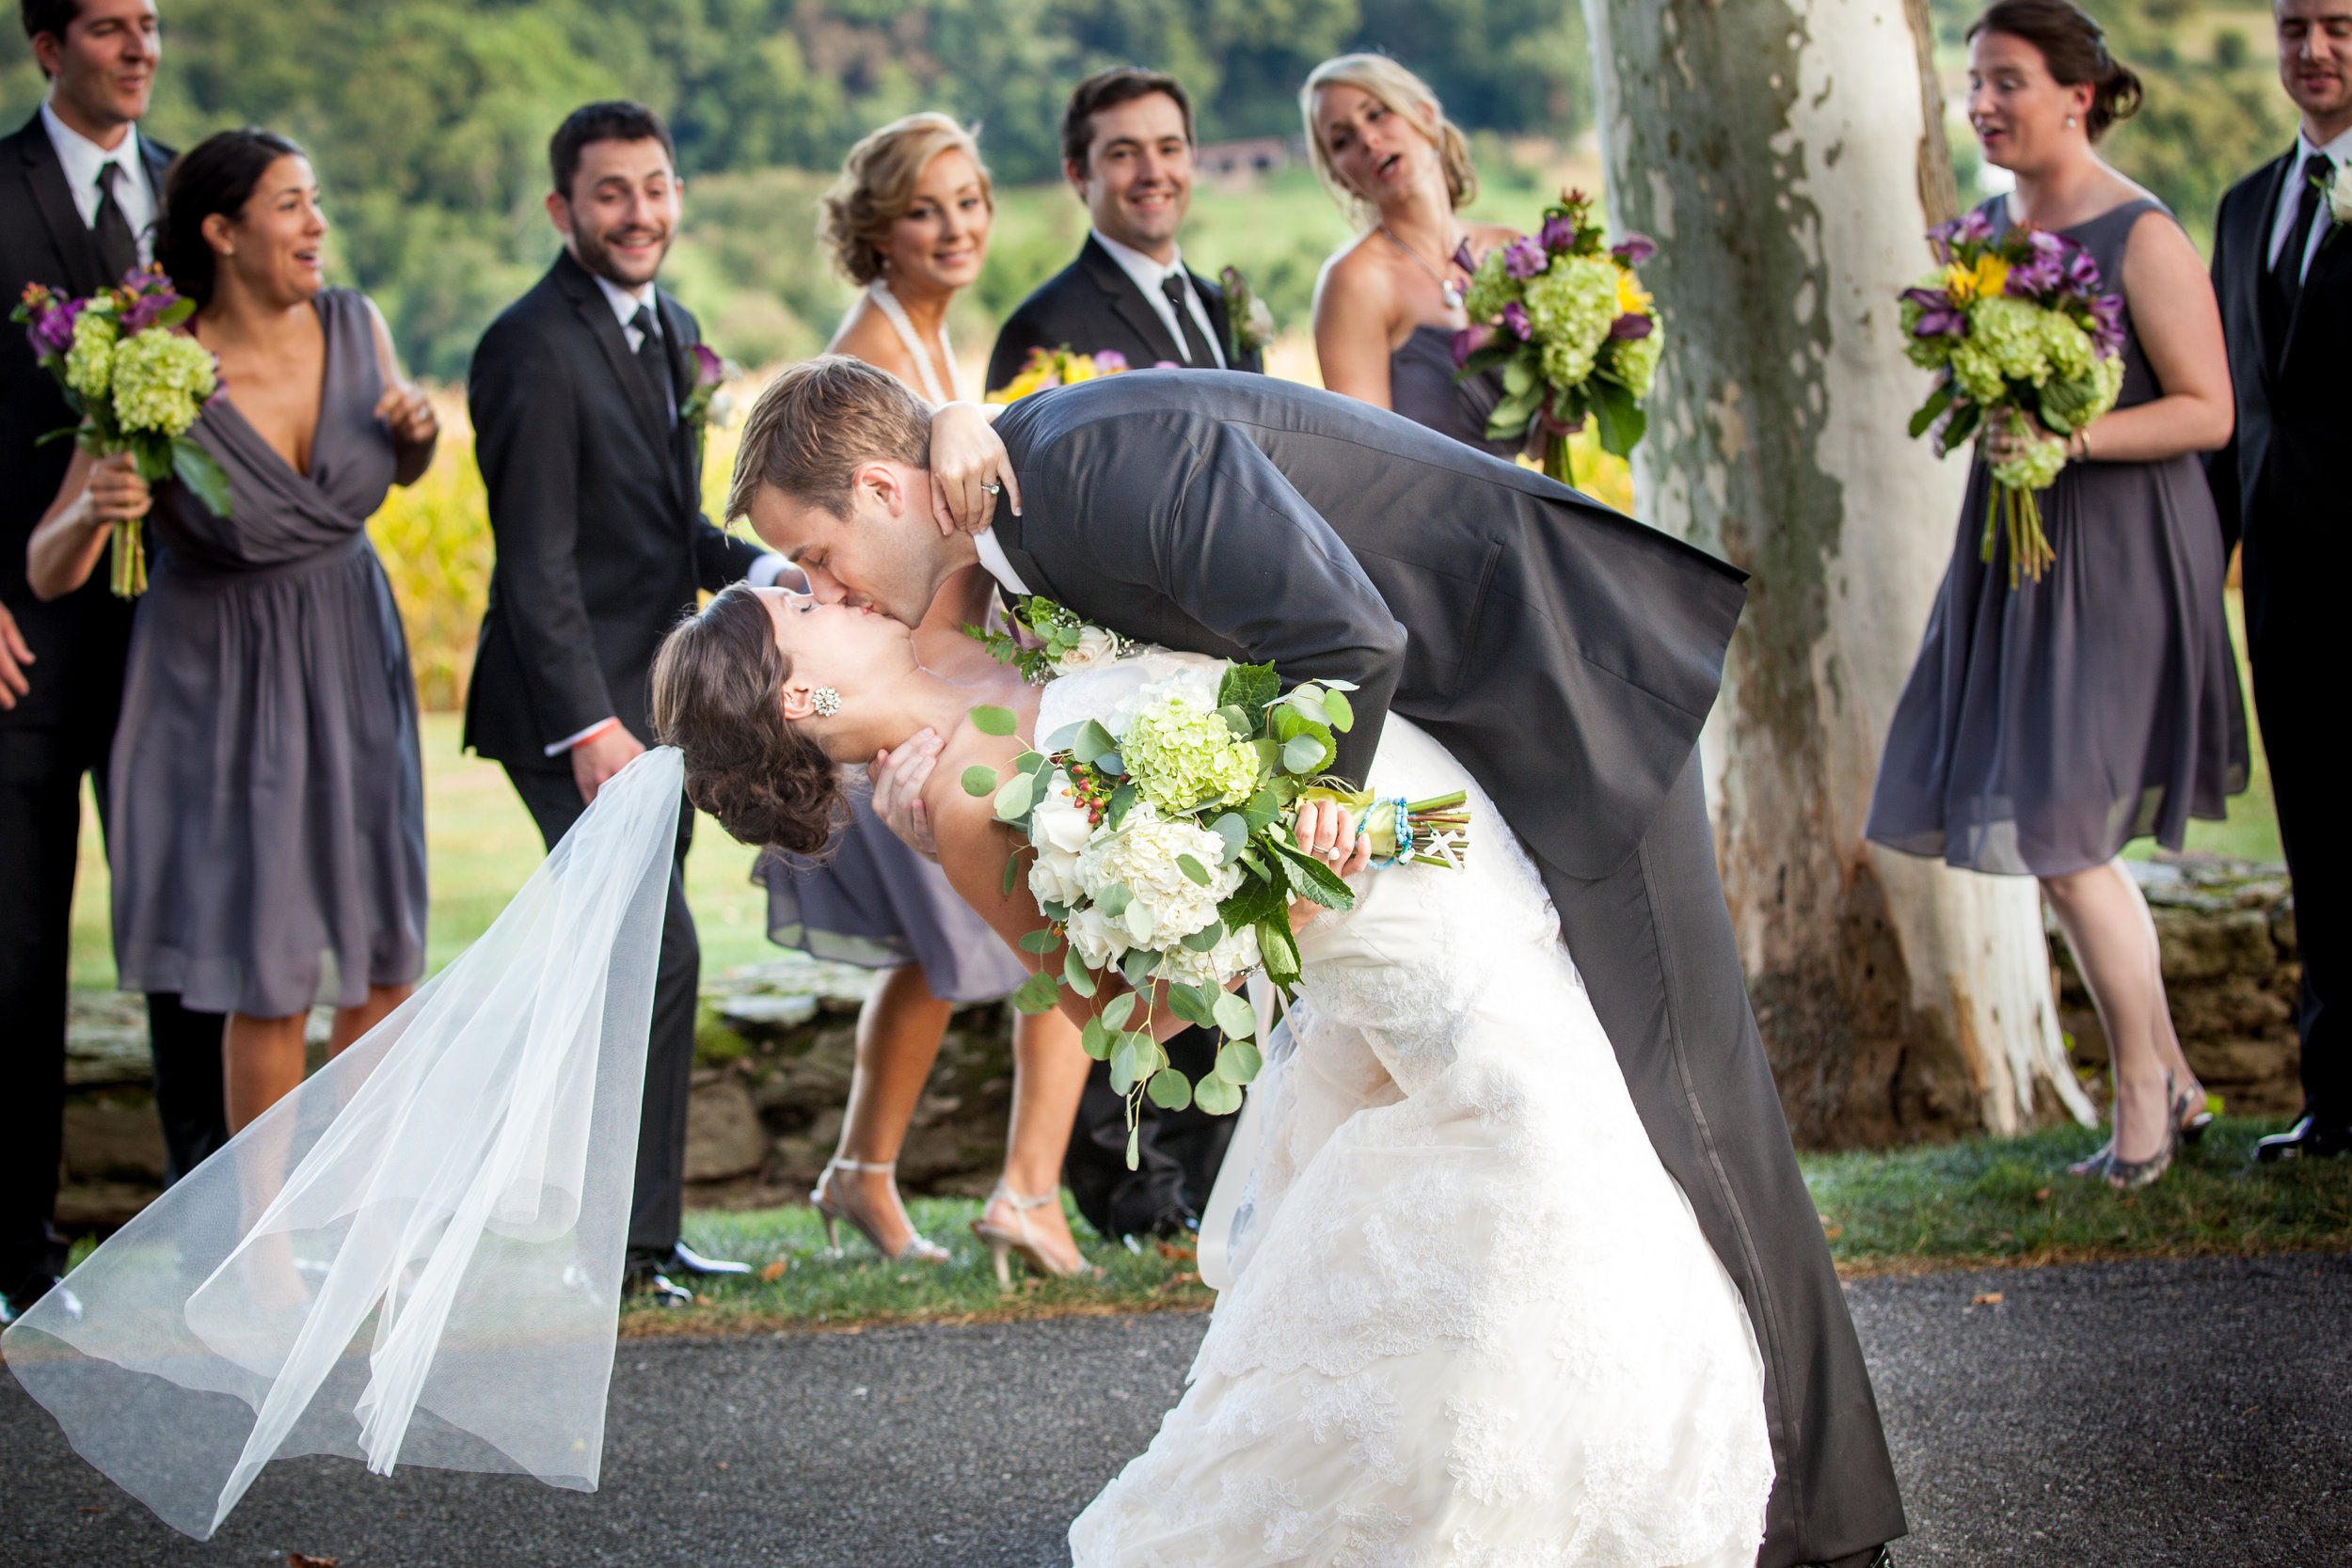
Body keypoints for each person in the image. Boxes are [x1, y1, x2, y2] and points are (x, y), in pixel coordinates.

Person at [729, 356, 1908, 1568]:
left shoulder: (1071, 480)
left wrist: (1302, 823)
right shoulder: (1009, 517)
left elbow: (1342, 634)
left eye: (816, 560)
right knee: (1603, 1113)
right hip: (1460, 772)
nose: (826, 586)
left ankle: (1822, 1518)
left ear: (881, 487)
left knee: (1689, 1101)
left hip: (1558, 688)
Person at [1866, 0, 2248, 1191]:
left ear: (2078, 95)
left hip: (2125, 544)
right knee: (2055, 830)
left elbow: (2208, 410)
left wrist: (2065, 437)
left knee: (2067, 835)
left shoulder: (2142, 232)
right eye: (1974, 80)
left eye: (2007, 81)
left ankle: (2143, 1095)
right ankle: (2173, 1077)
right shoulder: (1976, 231)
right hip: (2014, 543)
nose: (1982, 102)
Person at [25, 129, 437, 1136]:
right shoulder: (153, 364)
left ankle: (358, 1222)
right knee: (273, 965)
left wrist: (416, 442)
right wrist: (95, 508)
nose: (317, 223)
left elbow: (389, 474)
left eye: (315, 200)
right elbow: (49, 565)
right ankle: (261, 1252)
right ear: (222, 230)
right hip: (229, 675)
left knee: (383, 953)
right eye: (291, 203)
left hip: (353, 649)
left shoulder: (358, 323)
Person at [766, 110, 1092, 1275]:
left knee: (945, 947)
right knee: (1051, 910)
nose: (955, 226)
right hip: (906, 687)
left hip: (937, 677)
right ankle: (1026, 1191)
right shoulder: (875, 352)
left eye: (969, 200)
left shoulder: (941, 340)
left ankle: (863, 1170)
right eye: (924, 207)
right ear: (876, 229)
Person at [464, 100, 771, 1300]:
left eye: (654, 186)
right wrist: (587, 724)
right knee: (654, 957)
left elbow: (666, 532)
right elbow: (533, 559)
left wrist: (772, 571)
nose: (638, 211)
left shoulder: (671, 328)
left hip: (661, 708)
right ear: (562, 209)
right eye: (609, 192)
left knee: (639, 961)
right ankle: (613, 1241)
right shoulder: (527, 345)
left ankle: (640, 1238)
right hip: (573, 710)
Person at [0, 0, 226, 1323]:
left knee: (191, 942)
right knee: (20, 955)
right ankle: (19, 1259)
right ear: (45, 47)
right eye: (106, 25)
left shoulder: (188, 192)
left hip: (177, 636)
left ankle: (208, 1242)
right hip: (24, 636)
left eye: (149, 23)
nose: (138, 47)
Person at [2210, 0, 2352, 1164]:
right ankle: (2332, 1099)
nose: (2312, 49)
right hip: (2286, 588)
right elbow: (2238, 422)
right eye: (2295, 25)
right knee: (2317, 837)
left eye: (2339, 25)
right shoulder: (2245, 206)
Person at [983, 68, 1265, 394]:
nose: (1153, 173)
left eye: (1169, 148)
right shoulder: (1039, 330)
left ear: (1191, 158)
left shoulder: (1226, 308)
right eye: (1123, 154)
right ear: (1078, 174)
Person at [1300, 54, 1524, 456]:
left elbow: (1545, 432)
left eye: (1378, 114)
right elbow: (1367, 458)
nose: (1368, 140)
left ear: (1426, 116)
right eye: (1342, 140)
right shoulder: (1354, 281)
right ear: (1341, 178)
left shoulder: (1512, 251)